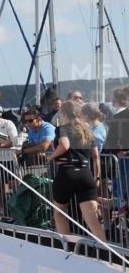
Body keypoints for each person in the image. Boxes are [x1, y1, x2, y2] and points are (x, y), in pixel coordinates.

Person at [47, 101, 105, 241]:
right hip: (86, 173)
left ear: (64, 114)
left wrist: (51, 156)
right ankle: (107, 251)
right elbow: (96, 156)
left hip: (67, 173)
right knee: (92, 218)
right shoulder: (87, 130)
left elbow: (65, 145)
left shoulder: (62, 128)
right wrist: (97, 177)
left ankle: (69, 247)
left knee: (60, 213)